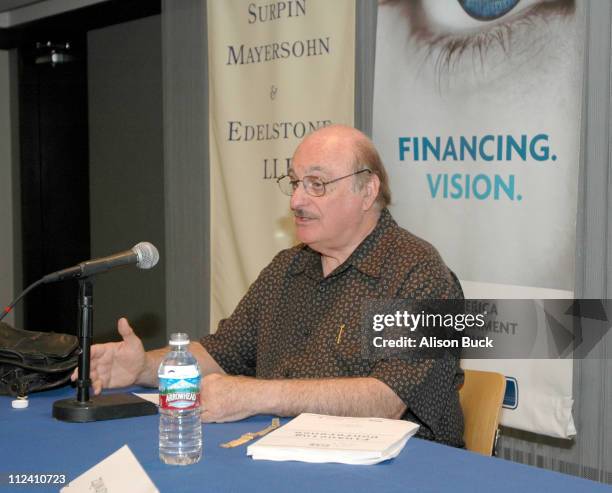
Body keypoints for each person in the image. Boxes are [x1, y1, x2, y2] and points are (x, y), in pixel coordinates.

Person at [75, 125, 464, 447]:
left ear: (368, 190)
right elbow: (222, 353)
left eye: (317, 184)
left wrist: (253, 394)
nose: (296, 200)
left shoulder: (421, 272)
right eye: (295, 182)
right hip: (287, 455)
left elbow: (386, 401)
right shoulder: (288, 267)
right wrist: (146, 367)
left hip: (401, 469)